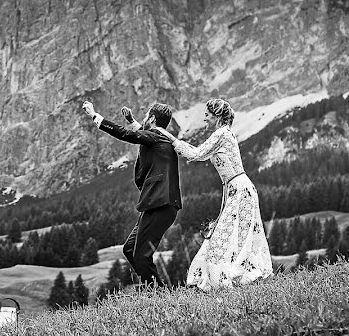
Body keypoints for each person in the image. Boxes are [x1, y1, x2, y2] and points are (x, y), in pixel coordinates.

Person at [154, 98, 271, 290]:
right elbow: (199, 154)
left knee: (224, 238)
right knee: (236, 237)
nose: (204, 119)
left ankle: (224, 280)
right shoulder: (224, 134)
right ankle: (237, 278)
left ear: (217, 116)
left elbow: (196, 154)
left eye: (207, 115)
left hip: (240, 190)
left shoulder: (222, 134)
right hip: (237, 190)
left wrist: (170, 138)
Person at [82, 100, 181, 287]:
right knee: (130, 249)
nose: (144, 119)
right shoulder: (158, 137)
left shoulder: (156, 137)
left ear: (151, 119)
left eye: (146, 116)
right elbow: (141, 133)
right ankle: (153, 290)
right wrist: (131, 120)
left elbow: (128, 135)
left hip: (160, 204)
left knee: (141, 255)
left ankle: (157, 294)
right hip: (156, 204)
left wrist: (95, 115)